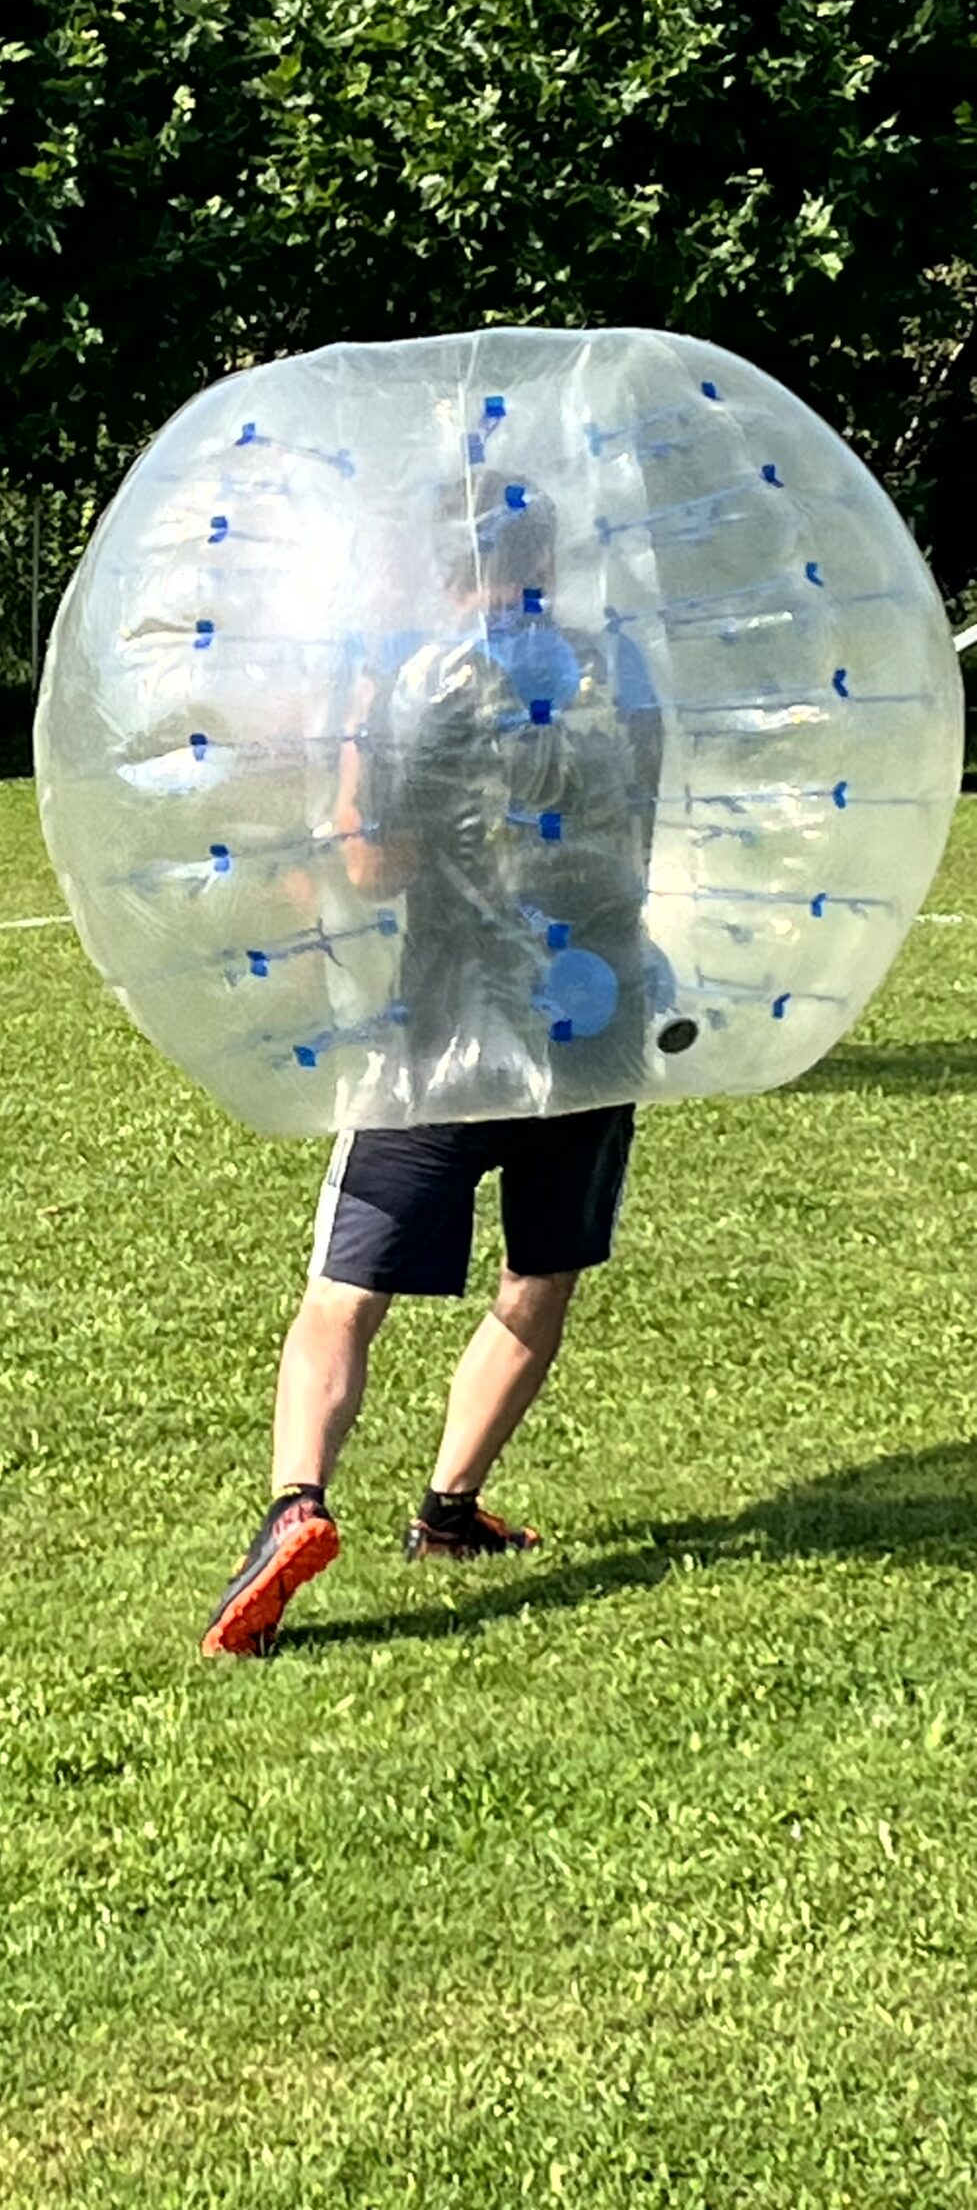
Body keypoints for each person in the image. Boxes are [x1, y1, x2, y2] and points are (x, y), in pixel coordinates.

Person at [200, 470, 669, 1658]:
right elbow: (634, 837)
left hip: (449, 1033)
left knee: (340, 1302)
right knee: (537, 1280)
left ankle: (295, 1504)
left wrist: (351, 750)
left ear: (447, 571)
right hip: (592, 1026)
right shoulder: (618, 673)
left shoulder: (424, 681)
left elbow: (374, 869)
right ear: (544, 561)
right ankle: (448, 1512)